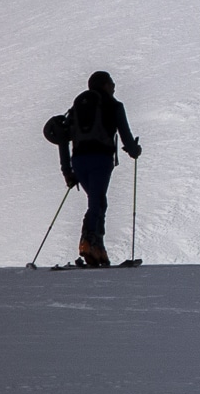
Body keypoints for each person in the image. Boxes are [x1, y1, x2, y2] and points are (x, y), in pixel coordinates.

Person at [60, 71, 141, 267]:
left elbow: (62, 136)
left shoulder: (77, 106)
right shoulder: (113, 105)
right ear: (105, 85)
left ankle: (98, 248)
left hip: (78, 160)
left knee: (98, 201)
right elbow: (125, 134)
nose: (114, 87)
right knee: (96, 202)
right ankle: (89, 242)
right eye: (111, 83)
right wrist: (134, 150)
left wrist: (67, 170)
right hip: (101, 159)